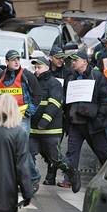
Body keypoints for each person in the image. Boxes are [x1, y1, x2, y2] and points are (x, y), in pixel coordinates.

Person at [59, 51, 107, 189]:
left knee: (102, 152)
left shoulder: (98, 76)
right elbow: (66, 97)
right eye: (72, 60)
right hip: (75, 123)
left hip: (92, 123)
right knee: (71, 153)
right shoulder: (71, 77)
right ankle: (69, 179)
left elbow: (106, 100)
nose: (73, 62)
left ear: (85, 62)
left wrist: (99, 119)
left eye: (76, 60)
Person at [30, 57, 81, 192]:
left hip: (50, 130)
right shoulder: (33, 83)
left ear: (47, 67)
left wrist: (43, 122)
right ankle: (31, 182)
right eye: (35, 68)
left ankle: (73, 174)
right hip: (33, 130)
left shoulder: (54, 83)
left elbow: (54, 104)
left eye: (39, 67)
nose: (36, 70)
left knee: (56, 159)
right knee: (27, 155)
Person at [0, 50, 42, 191]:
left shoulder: (26, 75)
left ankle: (33, 178)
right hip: (5, 119)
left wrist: (29, 112)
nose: (16, 62)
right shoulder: (0, 76)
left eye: (18, 59)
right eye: (13, 59)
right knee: (7, 149)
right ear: (6, 62)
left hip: (22, 119)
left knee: (21, 150)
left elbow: (37, 95)